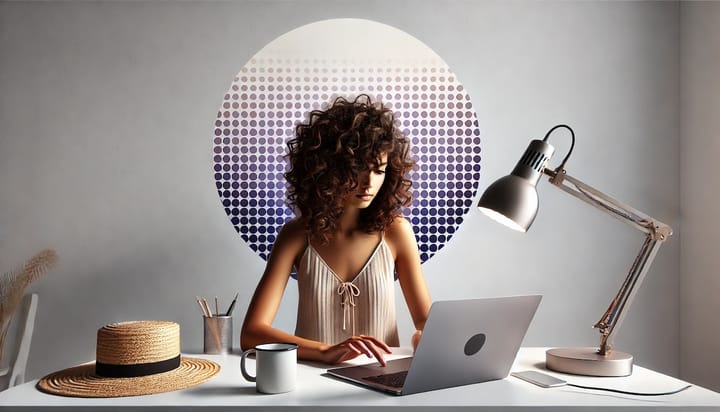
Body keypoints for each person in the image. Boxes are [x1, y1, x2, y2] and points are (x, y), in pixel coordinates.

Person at [241, 94, 431, 367]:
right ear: (326, 169)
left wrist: (421, 338)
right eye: (357, 169)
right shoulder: (296, 235)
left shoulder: (396, 232)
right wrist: (325, 351)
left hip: (382, 383)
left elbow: (425, 322)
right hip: (310, 382)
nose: (369, 183)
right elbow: (251, 334)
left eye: (379, 170)